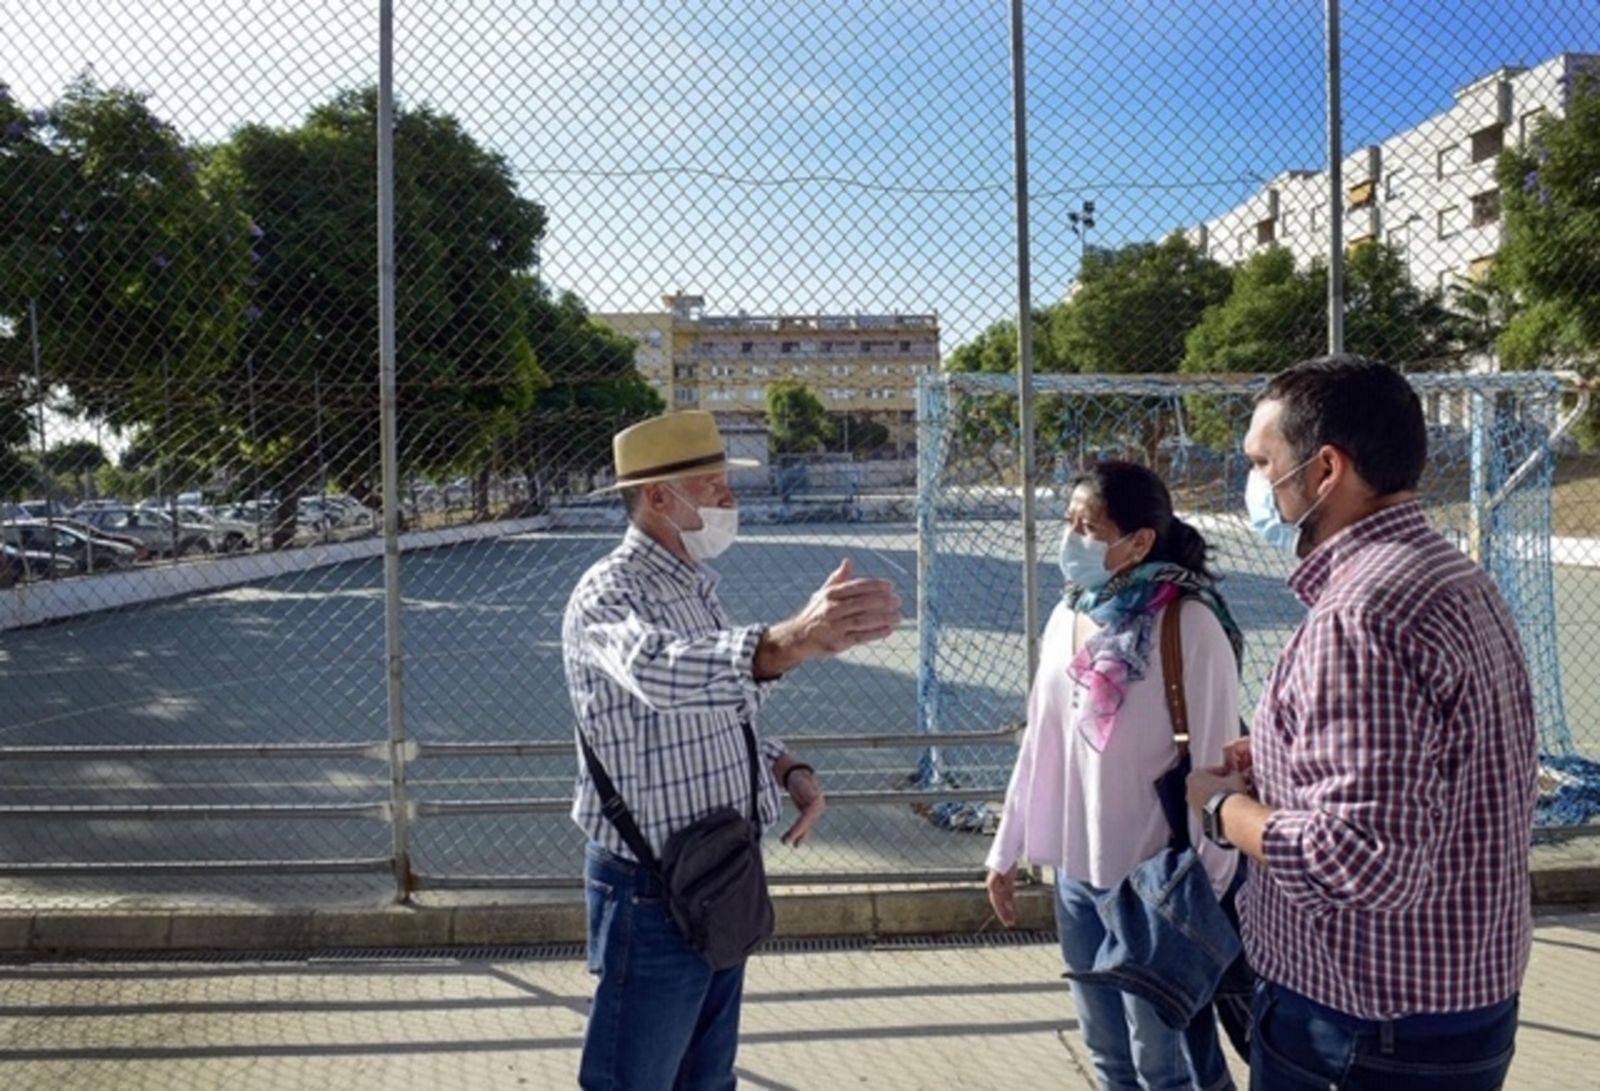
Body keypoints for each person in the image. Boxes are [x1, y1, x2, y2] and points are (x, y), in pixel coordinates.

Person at [1187, 355, 1538, 1090]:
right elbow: (1448, 758)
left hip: (1362, 1027)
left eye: (1262, 462)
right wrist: (1283, 755)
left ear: (1324, 471)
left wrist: (1228, 810)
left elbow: (1364, 859)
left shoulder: (1359, 615)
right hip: (1456, 1002)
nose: (1253, 484)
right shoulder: (1450, 572)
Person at [562, 409, 901, 1090]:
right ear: (660, 496)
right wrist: (789, 641)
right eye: (714, 483)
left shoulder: (695, 588)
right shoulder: (609, 592)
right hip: (650, 886)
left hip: (718, 873)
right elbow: (659, 671)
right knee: (636, 1079)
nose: (730, 498)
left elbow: (716, 707)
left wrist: (783, 764)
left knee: (706, 1077)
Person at [987, 459, 1245, 1091]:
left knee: (1168, 1063)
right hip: (1077, 876)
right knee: (1108, 1054)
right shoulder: (1068, 616)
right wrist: (1007, 849)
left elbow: (1218, 765)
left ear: (1139, 542)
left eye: (1089, 526)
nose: (1072, 538)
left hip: (1155, 882)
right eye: (1070, 521)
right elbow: (1042, 742)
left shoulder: (1190, 624)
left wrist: (1199, 898)